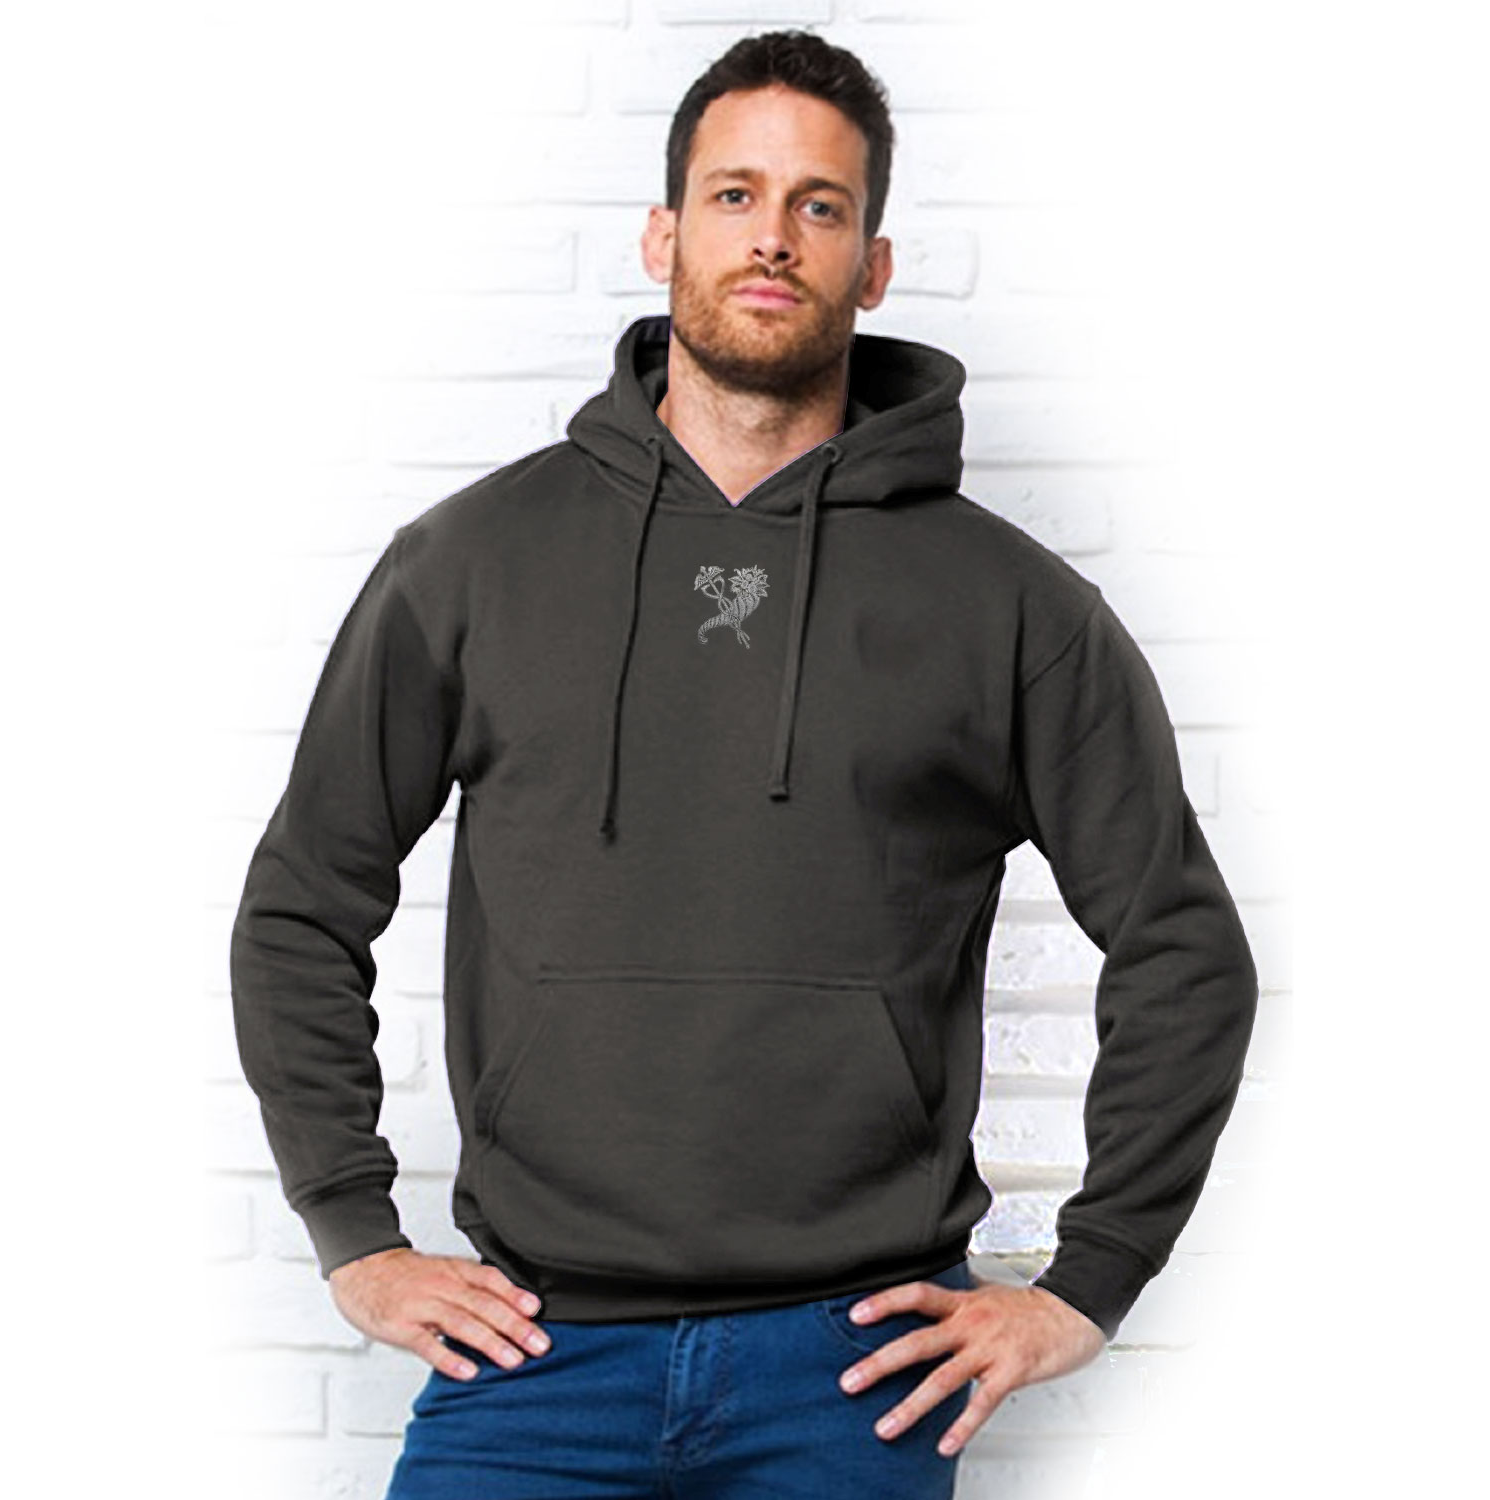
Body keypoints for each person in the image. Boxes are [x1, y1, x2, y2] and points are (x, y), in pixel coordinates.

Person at [229, 28, 1258, 1499]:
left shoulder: (1012, 608)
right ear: (664, 234)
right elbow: (301, 905)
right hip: (532, 1352)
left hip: (856, 1372)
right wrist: (356, 1236)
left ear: (872, 265)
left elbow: (1182, 947)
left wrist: (1086, 1285)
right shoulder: (470, 565)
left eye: (818, 205)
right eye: (735, 195)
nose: (773, 236)